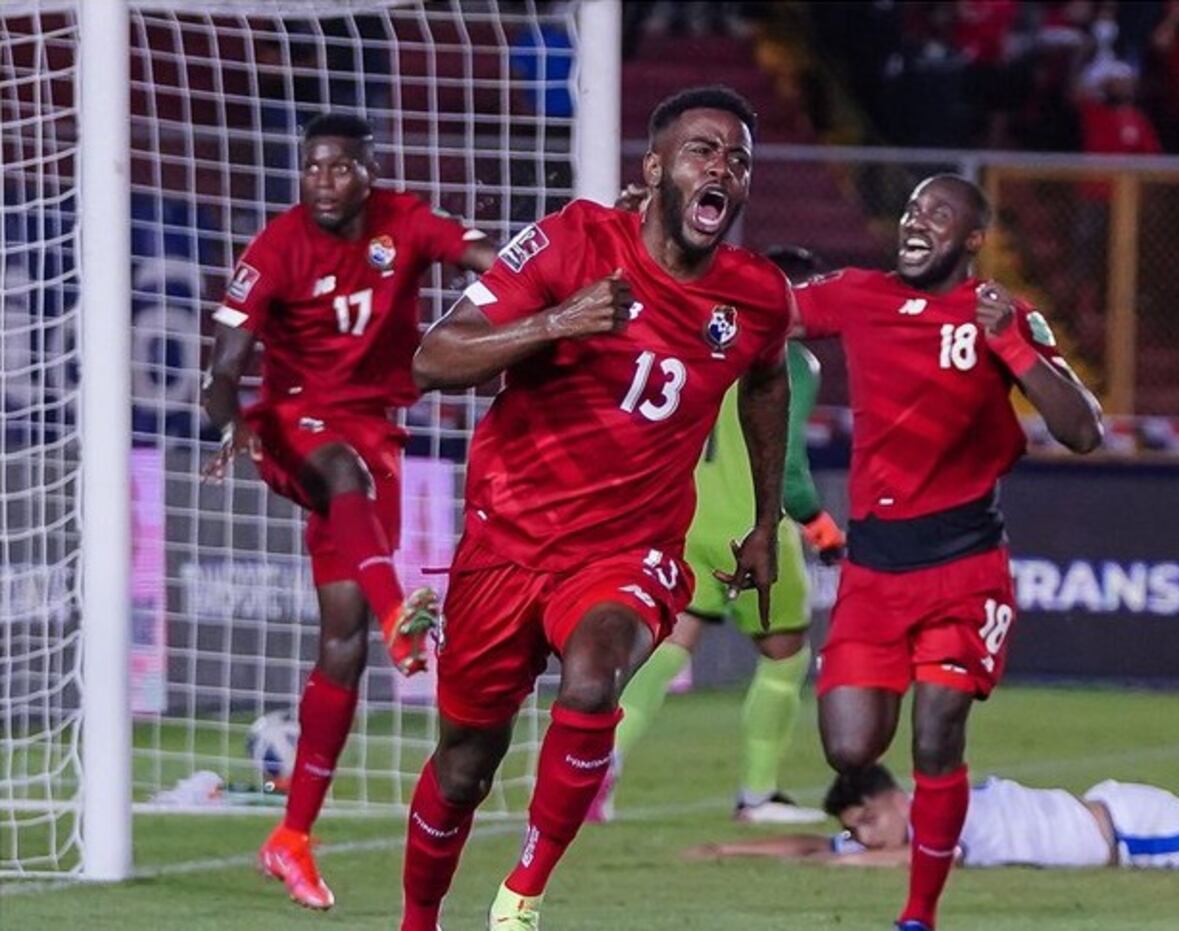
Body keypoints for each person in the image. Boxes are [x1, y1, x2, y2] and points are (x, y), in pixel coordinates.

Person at [398, 85, 794, 931]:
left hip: (629, 549)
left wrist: (767, 520)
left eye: (738, 158)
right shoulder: (573, 240)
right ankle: (417, 920)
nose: (723, 166)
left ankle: (521, 896)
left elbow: (766, 380)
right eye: (702, 150)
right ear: (655, 169)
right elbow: (433, 359)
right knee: (465, 762)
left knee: (592, 674)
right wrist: (555, 322)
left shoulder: (757, 296)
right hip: (507, 544)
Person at [793, 175, 1104, 931]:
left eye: (937, 213)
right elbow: (772, 308)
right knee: (849, 745)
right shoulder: (858, 294)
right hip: (873, 567)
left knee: (938, 728)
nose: (914, 222)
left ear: (971, 239)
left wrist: (1010, 345)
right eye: (908, 209)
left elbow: (1082, 428)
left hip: (964, 568)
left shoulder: (1000, 314)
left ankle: (919, 914)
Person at [200, 112, 495, 911]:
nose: (324, 181)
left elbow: (479, 255)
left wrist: (537, 281)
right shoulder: (274, 248)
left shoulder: (405, 219)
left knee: (341, 641)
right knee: (340, 470)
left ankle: (290, 835)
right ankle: (402, 609)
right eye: (313, 168)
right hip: (291, 427)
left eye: (339, 168)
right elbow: (222, 369)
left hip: (379, 437)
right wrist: (231, 424)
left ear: (368, 172)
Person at [589, 245, 845, 826]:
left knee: (672, 646)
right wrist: (821, 526)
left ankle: (601, 765)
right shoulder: (793, 360)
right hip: (752, 526)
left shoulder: (707, 341)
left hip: (687, 521)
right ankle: (758, 795)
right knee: (785, 653)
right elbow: (793, 467)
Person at [685, 763, 1179, 871]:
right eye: (855, 829)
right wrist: (728, 850)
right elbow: (817, 845)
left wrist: (850, 866)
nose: (863, 837)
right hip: (1113, 828)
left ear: (894, 798)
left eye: (866, 820)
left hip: (1136, 830)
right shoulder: (907, 825)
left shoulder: (940, 809)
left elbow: (938, 860)